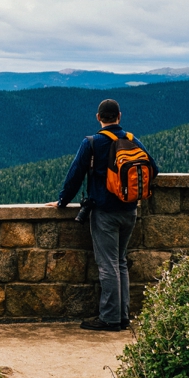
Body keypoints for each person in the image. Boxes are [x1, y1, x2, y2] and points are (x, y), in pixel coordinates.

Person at [47, 99, 158, 331]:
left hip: (104, 212)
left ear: (99, 118)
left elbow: (75, 175)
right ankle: (123, 316)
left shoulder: (92, 142)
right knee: (120, 263)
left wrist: (62, 202)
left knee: (108, 265)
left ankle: (109, 319)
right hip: (130, 210)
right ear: (119, 116)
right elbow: (153, 168)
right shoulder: (131, 140)